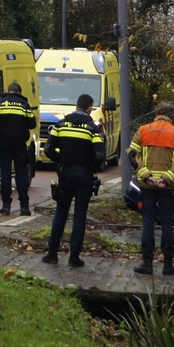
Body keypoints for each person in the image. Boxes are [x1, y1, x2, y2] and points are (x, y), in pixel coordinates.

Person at [41, 94, 105, 268]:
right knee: (79, 216)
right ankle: (74, 257)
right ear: (89, 108)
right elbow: (100, 156)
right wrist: (90, 166)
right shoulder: (92, 128)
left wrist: (61, 161)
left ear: (77, 105)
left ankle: (52, 254)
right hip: (84, 176)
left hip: (65, 174)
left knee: (60, 213)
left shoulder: (61, 124)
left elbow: (48, 149)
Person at [129, 102, 174, 276]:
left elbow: (132, 155)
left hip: (147, 185)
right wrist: (167, 178)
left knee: (148, 222)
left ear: (156, 113)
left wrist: (147, 176)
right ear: (171, 115)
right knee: (167, 223)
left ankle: (147, 263)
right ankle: (168, 265)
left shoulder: (143, 130)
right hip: (167, 186)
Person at [0, 82, 37, 216]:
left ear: (7, 91)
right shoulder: (24, 104)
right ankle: (24, 207)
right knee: (21, 174)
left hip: (4, 143)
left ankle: (6, 206)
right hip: (19, 144)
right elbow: (32, 124)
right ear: (19, 92)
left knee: (5, 174)